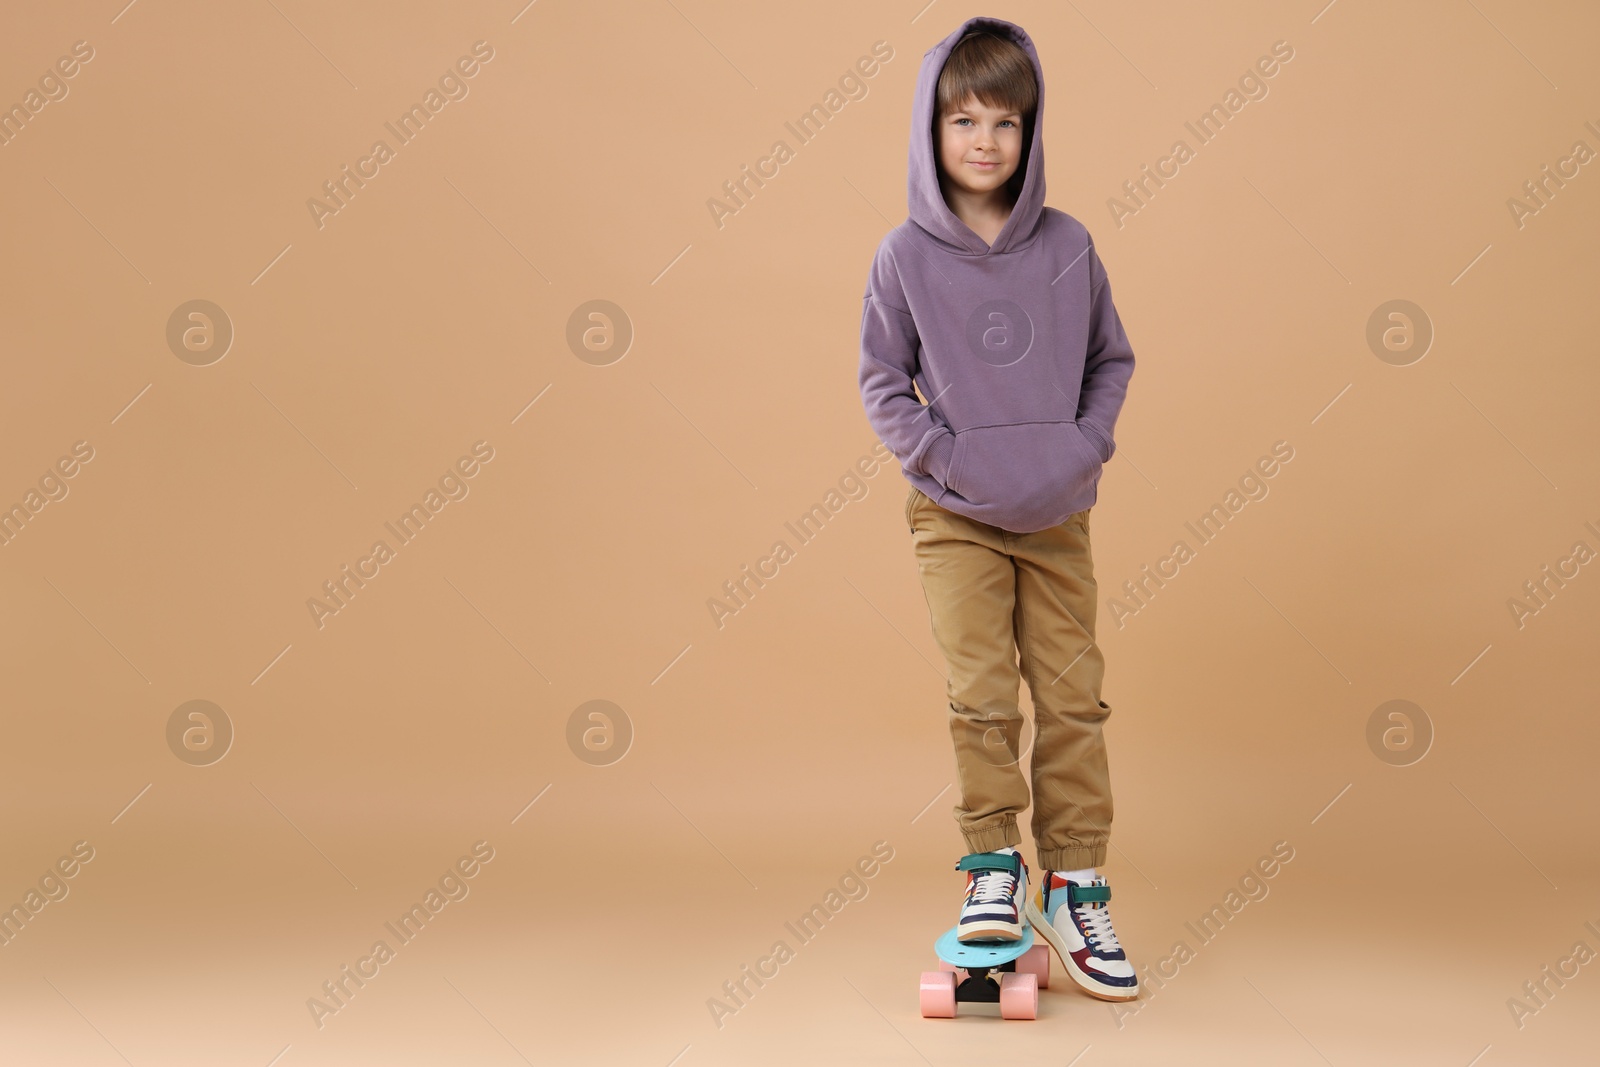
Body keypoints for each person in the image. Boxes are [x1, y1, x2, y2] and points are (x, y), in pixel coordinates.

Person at [857, 17, 1138, 1001]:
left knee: (1072, 697)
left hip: (1057, 514)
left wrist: (1081, 445)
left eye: (1005, 121)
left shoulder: (1068, 245)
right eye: (962, 119)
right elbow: (881, 381)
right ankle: (993, 873)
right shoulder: (902, 257)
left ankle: (1075, 877)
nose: (983, 140)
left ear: (1031, 131)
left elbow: (1111, 358)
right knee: (981, 695)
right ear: (930, 132)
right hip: (956, 517)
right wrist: (945, 457)